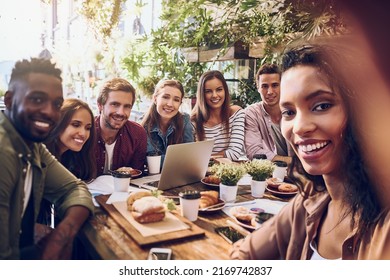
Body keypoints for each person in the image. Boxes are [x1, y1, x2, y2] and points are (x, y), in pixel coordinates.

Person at [230, 43, 390, 259]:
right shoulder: (310, 203)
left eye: (321, 106)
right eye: (289, 112)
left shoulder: (383, 223)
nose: (299, 127)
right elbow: (243, 254)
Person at [0, 58, 94, 259]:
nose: (49, 112)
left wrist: (60, 235)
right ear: (9, 100)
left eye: (56, 104)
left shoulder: (33, 146)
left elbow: (74, 188)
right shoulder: (4, 151)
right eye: (36, 99)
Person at [38, 98, 97, 226]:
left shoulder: (70, 157)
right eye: (76, 125)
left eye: (88, 128)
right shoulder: (38, 154)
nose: (83, 133)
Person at [94, 78, 147, 176]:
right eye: (115, 104)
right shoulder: (85, 132)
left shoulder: (138, 134)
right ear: (100, 105)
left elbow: (137, 175)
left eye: (127, 106)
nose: (121, 112)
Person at [191, 70, 245, 161]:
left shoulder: (236, 113)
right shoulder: (193, 121)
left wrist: (206, 158)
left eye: (219, 89)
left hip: (232, 171)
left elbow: (234, 153)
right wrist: (223, 154)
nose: (215, 95)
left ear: (225, 90)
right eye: (208, 91)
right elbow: (193, 158)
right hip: (204, 173)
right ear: (202, 94)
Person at [244, 63, 291, 162]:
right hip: (271, 172)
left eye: (275, 85)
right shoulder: (252, 113)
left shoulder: (295, 110)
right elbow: (254, 152)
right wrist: (292, 162)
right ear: (258, 88)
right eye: (264, 86)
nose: (269, 92)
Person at [141, 79, 194, 167]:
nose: (170, 104)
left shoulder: (184, 120)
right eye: (165, 97)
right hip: (152, 178)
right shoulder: (143, 126)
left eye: (176, 100)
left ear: (180, 103)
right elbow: (151, 161)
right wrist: (181, 159)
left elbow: (190, 156)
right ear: (155, 99)